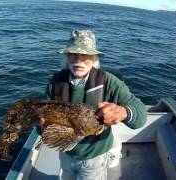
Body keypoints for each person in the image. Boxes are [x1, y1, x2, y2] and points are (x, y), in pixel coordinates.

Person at [40, 30, 147, 180]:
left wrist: (123, 112)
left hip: (94, 156)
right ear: (66, 56)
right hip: (65, 153)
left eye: (86, 55)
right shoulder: (55, 82)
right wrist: (42, 127)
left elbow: (141, 115)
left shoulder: (110, 82)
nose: (78, 59)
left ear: (94, 57)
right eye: (73, 53)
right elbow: (42, 121)